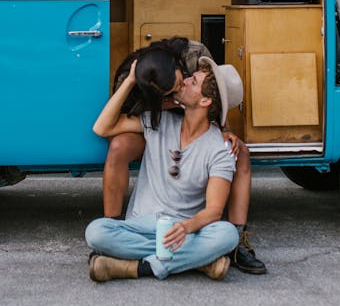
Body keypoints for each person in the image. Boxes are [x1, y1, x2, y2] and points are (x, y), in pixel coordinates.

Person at [103, 37, 266, 274]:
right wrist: (157, 101)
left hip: (195, 117)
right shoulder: (131, 77)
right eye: (171, 91)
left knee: (238, 152)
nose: (180, 88)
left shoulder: (195, 55)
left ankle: (237, 240)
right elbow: (109, 124)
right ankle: (117, 225)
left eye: (183, 82)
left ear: (179, 69)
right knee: (118, 146)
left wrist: (226, 130)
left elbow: (217, 94)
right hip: (154, 123)